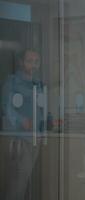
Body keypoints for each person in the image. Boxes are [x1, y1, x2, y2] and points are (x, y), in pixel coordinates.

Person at [1, 49, 45, 200]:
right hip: (19, 140)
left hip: (36, 140)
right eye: (29, 61)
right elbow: (5, 106)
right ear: (21, 62)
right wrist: (21, 120)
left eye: (36, 61)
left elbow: (39, 109)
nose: (33, 65)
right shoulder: (12, 81)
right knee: (16, 184)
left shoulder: (38, 83)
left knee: (26, 184)